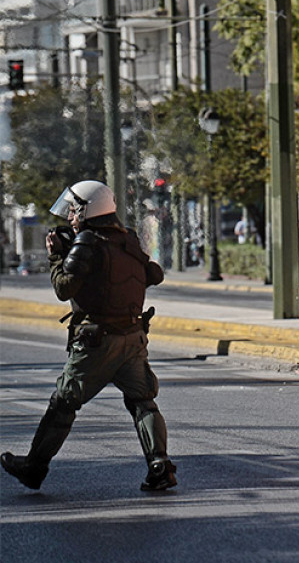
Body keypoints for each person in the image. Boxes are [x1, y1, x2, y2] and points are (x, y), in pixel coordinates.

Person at [1, 180, 176, 492]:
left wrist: (56, 256)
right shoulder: (127, 240)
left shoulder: (88, 243)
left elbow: (63, 288)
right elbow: (153, 274)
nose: (69, 216)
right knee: (142, 402)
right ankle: (159, 466)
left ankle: (34, 468)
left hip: (97, 341)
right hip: (133, 338)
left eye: (72, 209)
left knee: (64, 402)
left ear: (88, 209)